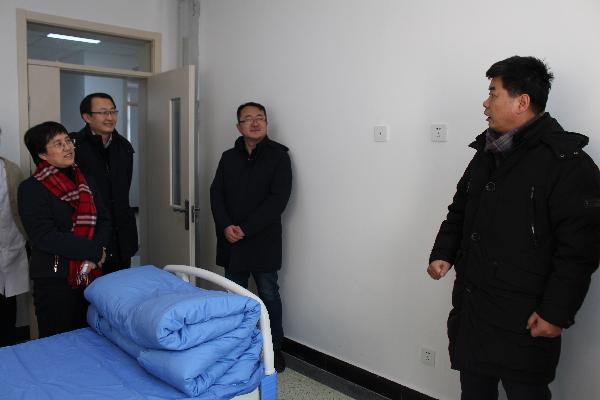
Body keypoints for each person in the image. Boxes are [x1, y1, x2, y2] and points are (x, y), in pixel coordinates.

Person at [427, 56, 600, 400]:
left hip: (525, 319)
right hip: (475, 308)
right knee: (474, 391)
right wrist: (443, 252)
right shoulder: (486, 152)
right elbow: (460, 211)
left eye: (493, 94)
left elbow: (580, 251)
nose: (485, 103)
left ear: (522, 102)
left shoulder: (567, 163)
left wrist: (555, 313)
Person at [210, 102, 292, 372]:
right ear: (239, 126)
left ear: (266, 123)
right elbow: (216, 194)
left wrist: (245, 228)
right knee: (235, 297)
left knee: (269, 294)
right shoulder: (228, 157)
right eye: (248, 118)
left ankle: (274, 349)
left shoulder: (279, 156)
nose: (255, 123)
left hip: (263, 241)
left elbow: (277, 200)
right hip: (231, 241)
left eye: (260, 118)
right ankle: (238, 347)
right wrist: (226, 226)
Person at [18, 121, 110, 338]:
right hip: (55, 279)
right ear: (42, 154)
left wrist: (98, 250)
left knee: (92, 338)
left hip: (92, 273)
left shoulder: (85, 179)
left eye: (68, 141)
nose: (68, 147)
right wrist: (93, 251)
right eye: (58, 144)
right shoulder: (31, 188)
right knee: (57, 340)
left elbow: (104, 219)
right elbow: (43, 236)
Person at [70, 93, 138, 274]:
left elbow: (123, 189)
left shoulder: (124, 147)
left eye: (113, 112)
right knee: (90, 287)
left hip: (122, 235)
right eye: (103, 112)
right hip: (91, 232)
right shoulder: (74, 147)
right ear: (87, 117)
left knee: (120, 286)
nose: (110, 117)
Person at [0, 127, 29, 347]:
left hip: (12, 244)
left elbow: (21, 209)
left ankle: (7, 346)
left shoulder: (11, 170)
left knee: (8, 299)